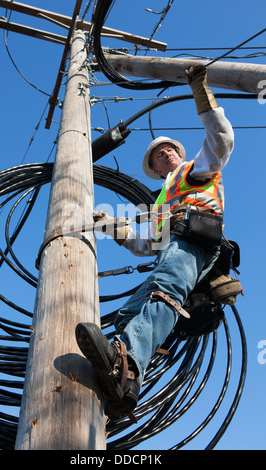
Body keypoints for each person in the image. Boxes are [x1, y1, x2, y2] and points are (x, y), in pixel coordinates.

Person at [75, 65, 234, 420]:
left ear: (178, 156)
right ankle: (124, 387)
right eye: (159, 155)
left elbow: (221, 141)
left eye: (169, 150)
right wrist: (110, 225)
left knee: (165, 291)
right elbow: (144, 245)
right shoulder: (161, 202)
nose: (166, 154)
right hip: (175, 244)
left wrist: (202, 96)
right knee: (130, 311)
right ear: (156, 170)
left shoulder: (194, 172)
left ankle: (126, 363)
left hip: (196, 238)